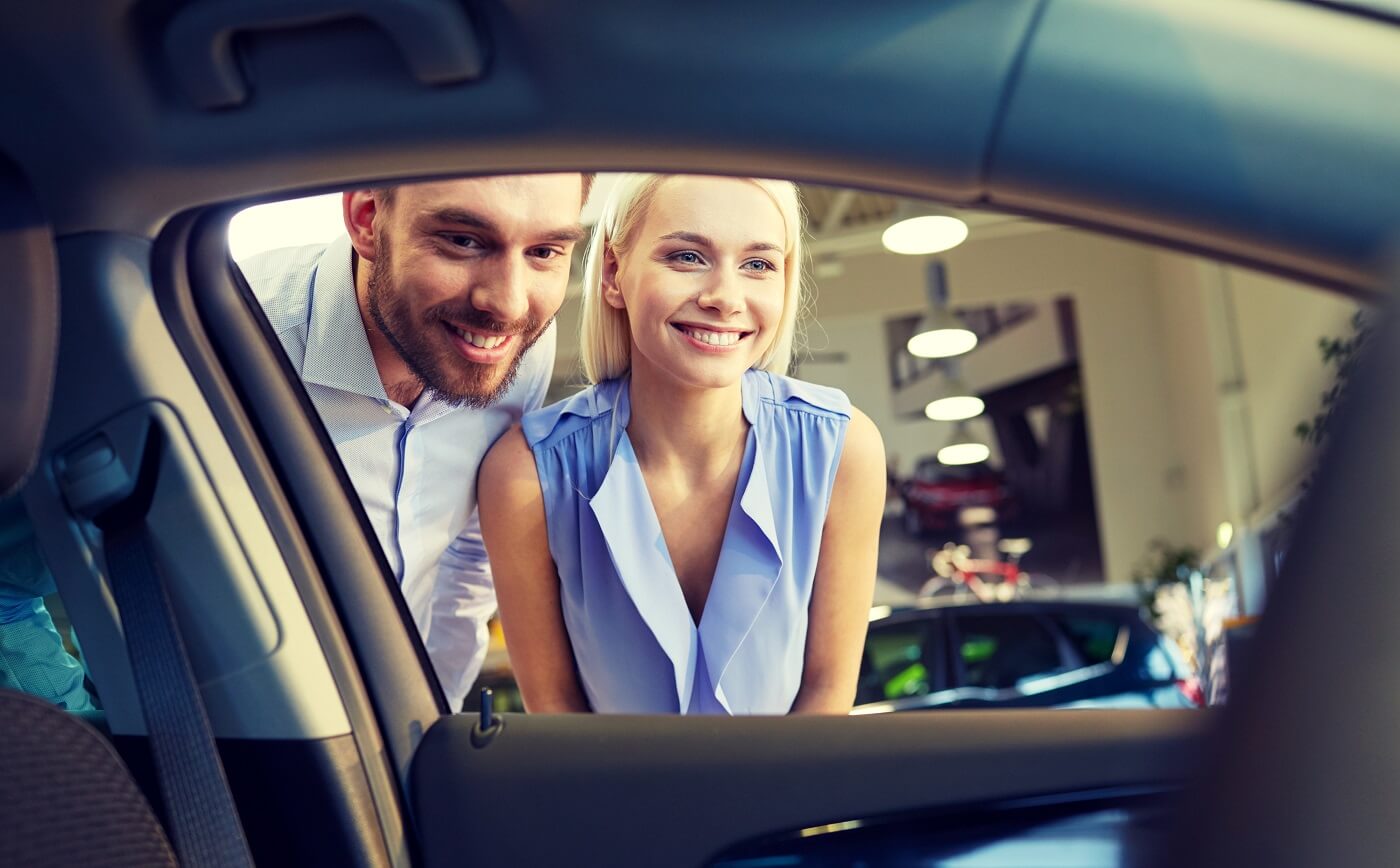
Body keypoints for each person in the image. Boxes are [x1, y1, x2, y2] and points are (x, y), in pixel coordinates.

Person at [479, 174, 886, 715]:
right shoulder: (525, 475)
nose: (725, 297)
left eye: (758, 264)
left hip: (799, 798)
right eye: (687, 257)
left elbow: (828, 694)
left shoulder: (843, 451)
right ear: (614, 275)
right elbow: (557, 713)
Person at [240, 174, 592, 710]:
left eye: (544, 250)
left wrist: (429, 717)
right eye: (463, 240)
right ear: (366, 219)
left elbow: (467, 554)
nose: (509, 303)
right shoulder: (229, 341)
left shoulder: (510, 349)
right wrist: (76, 724)